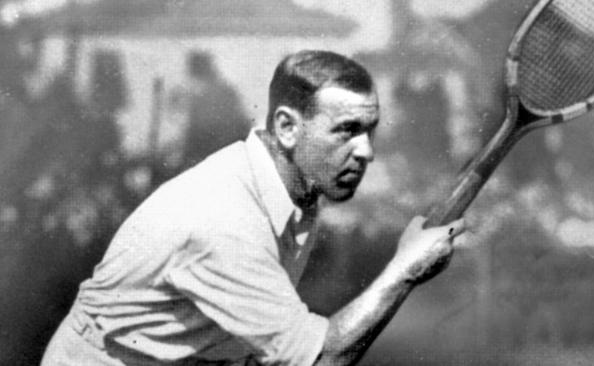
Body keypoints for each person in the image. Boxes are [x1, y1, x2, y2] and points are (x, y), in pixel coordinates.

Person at [41, 50, 466, 366]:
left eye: (370, 131)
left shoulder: (291, 190)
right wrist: (404, 271)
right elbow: (319, 360)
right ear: (286, 127)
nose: (366, 152)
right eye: (347, 131)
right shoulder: (225, 221)